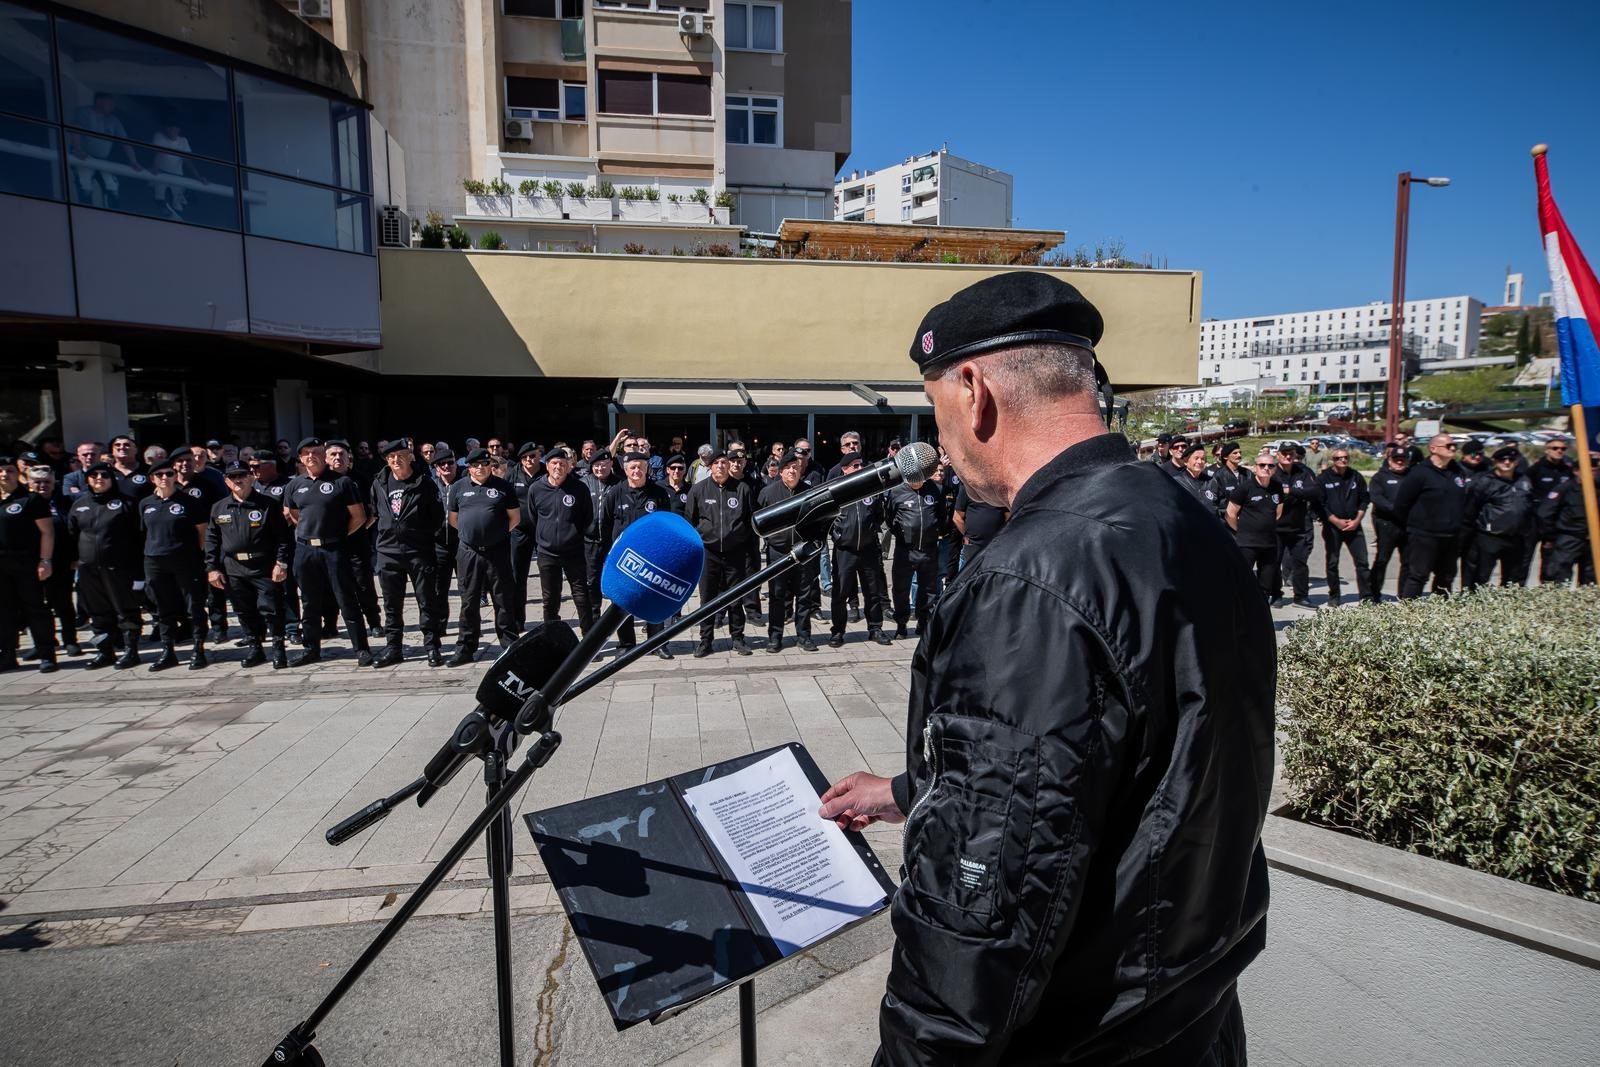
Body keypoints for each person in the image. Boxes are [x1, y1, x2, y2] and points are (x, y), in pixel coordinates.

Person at [819, 272, 1271, 1064]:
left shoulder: (1029, 578)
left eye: (936, 409)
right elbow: (1121, 763)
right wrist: (905, 792)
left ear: (973, 390)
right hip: (1191, 1021)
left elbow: (981, 911)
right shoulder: (1178, 512)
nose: (942, 439)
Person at [284, 438, 371, 667]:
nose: (310, 456)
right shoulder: (294, 485)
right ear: (300, 459)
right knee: (310, 602)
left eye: (315, 452)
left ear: (323, 455)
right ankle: (311, 649)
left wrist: (338, 536)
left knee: (346, 600)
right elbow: (293, 514)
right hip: (305, 551)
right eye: (305, 453)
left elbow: (359, 516)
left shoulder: (342, 482)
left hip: (334, 549)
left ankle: (361, 648)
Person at [205, 461, 291, 669]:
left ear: (251, 476)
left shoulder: (268, 504)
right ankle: (255, 648)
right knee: (244, 610)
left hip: (264, 565)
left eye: (242, 475)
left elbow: (282, 537)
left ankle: (278, 649)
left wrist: (281, 563)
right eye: (232, 476)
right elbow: (212, 540)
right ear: (226, 480)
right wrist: (212, 568)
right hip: (234, 567)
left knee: (271, 609)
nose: (238, 480)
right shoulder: (219, 507)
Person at [369, 439, 446, 667]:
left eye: (400, 455)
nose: (395, 460)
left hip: (418, 552)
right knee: (392, 606)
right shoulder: (379, 483)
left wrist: (419, 536)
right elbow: (375, 512)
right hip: (388, 553)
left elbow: (437, 517)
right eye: (391, 457)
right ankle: (394, 648)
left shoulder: (424, 483)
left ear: (410, 457)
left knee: (427, 602)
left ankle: (432, 647)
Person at [447, 447, 520, 664]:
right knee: (469, 600)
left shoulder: (503, 487)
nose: (481, 468)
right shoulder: (459, 488)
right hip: (469, 552)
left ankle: (509, 645)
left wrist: (493, 534)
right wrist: (473, 535)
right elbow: (454, 519)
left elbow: (514, 518)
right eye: (476, 465)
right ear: (468, 467)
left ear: (490, 465)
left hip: (497, 552)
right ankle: (466, 647)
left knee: (503, 600)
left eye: (485, 464)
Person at [598, 452, 674, 658]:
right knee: (623, 601)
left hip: (652, 559)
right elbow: (604, 527)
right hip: (624, 560)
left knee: (654, 601)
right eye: (632, 467)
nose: (636, 470)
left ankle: (656, 643)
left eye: (640, 466)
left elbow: (667, 525)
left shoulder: (658, 493)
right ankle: (626, 644)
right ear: (625, 469)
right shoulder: (615, 493)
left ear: (647, 468)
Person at [69, 462, 144, 668]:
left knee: (125, 610)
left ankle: (131, 651)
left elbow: (138, 538)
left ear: (112, 479)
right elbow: (72, 534)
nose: (99, 478)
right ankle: (105, 652)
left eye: (104, 475)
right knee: (98, 612)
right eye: (93, 475)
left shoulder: (126, 503)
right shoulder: (79, 504)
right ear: (87, 480)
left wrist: (139, 573)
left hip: (120, 569)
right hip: (88, 570)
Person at [139, 457, 210, 671]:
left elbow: (202, 532)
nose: (164, 478)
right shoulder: (146, 503)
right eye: (159, 475)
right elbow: (143, 532)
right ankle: (168, 650)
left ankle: (198, 649)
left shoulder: (189, 501)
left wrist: (197, 557)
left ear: (174, 476)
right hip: (155, 562)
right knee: (163, 608)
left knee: (194, 607)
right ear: (152, 478)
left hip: (185, 561)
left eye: (169, 474)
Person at [684, 449, 756, 657]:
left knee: (735, 598)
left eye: (725, 462)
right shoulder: (698, 490)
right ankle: (705, 640)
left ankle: (738, 638)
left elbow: (750, 523)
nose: (721, 466)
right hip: (709, 553)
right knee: (708, 599)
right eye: (717, 463)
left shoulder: (742, 489)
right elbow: (691, 521)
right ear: (710, 467)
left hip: (735, 553)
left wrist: (750, 554)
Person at [524, 447, 594, 634]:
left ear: (569, 466)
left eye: (562, 464)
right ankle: (552, 637)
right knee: (550, 599)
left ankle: (588, 640)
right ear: (547, 466)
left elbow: (587, 517)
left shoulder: (579, 488)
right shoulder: (536, 489)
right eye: (554, 463)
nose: (558, 467)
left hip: (573, 551)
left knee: (581, 596)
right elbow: (534, 518)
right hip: (547, 553)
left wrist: (572, 535)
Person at [754, 450, 819, 653]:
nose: (792, 471)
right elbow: (759, 519)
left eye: (795, 468)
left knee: (804, 595)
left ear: (800, 470)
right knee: (777, 595)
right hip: (778, 552)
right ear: (780, 471)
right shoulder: (768, 493)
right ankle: (775, 637)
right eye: (787, 468)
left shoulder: (809, 492)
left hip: (803, 552)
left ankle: (804, 635)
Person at [826, 451, 892, 648]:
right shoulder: (836, 490)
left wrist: (870, 532)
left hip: (868, 549)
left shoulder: (872, 488)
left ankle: (875, 628)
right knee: (841, 593)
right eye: (855, 466)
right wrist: (838, 534)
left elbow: (879, 514)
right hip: (845, 550)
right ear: (845, 469)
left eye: (861, 465)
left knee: (872, 591)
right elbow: (826, 519)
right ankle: (837, 631)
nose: (859, 468)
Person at [1392, 433, 1468, 599]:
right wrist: (1414, 527)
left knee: (1446, 577)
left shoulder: (1458, 471)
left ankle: (1439, 613)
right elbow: (1401, 505)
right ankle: (1408, 614)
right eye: (1449, 446)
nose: (1453, 448)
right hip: (1424, 536)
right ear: (1433, 449)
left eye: (1454, 445)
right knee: (1418, 576)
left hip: (1451, 536)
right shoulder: (1419, 473)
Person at [0, 459, 57, 674]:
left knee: (35, 608)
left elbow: (47, 532)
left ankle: (46, 654)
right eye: (1, 471)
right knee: (4, 611)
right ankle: (7, 654)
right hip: (1, 565)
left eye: (10, 471)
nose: (5, 475)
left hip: (26, 562)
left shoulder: (30, 500)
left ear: (19, 474)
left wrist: (45, 560)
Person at [326, 439, 383, 638]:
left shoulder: (360, 479)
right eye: (332, 454)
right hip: (329, 545)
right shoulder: (321, 481)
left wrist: (358, 530)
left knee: (363, 584)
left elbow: (373, 512)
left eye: (341, 454)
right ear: (326, 458)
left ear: (349, 457)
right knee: (330, 586)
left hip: (357, 542)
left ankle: (374, 623)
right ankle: (330, 624)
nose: (337, 458)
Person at [1463, 446, 1535, 589]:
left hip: (1516, 537)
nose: (1507, 462)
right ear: (1495, 462)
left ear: (1517, 462)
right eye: (1502, 460)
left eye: (1511, 459)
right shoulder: (1485, 482)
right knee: (1480, 576)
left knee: (1512, 578)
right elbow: (1470, 509)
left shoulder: (1524, 480)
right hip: (1490, 537)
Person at [27, 466, 79, 658]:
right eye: (37, 482)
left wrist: (75, 557)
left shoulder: (65, 502)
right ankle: (44, 642)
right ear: (29, 483)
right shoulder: (25, 503)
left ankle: (70, 640)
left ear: (54, 482)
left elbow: (73, 530)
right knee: (36, 605)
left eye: (46, 482)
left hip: (62, 560)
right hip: (31, 562)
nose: (42, 486)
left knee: (63, 603)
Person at [887, 468, 942, 639]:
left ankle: (923, 622)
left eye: (921, 479)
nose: (918, 483)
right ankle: (901, 624)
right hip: (906, 551)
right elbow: (889, 517)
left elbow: (941, 515)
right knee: (901, 589)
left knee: (928, 589)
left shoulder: (935, 489)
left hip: (928, 549)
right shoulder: (897, 492)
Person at [1315, 447, 1371, 604]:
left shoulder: (1356, 477)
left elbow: (1364, 499)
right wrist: (1334, 520)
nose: (1343, 460)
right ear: (1333, 460)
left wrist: (1357, 520)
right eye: (1339, 458)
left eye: (1346, 457)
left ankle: (1366, 596)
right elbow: (1319, 504)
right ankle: (1334, 595)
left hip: (1354, 525)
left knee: (1362, 562)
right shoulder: (1324, 478)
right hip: (1333, 527)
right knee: (1333, 562)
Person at [1227, 449, 1285, 599]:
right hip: (1247, 544)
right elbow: (1230, 513)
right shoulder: (1245, 488)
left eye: (1270, 466)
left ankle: (1262, 618)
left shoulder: (1277, 487)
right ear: (1255, 467)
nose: (1266, 468)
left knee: (1265, 585)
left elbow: (1278, 512)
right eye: (1262, 465)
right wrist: (1240, 531)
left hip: (1269, 544)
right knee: (1243, 582)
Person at [1536, 452, 1597, 585]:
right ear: (1576, 471)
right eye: (1588, 471)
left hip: (1592, 540)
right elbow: (1544, 513)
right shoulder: (1565, 489)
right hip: (1569, 538)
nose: (1592, 474)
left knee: (1591, 580)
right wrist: (1550, 537)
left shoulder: (1597, 489)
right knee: (1558, 577)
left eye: (1594, 471)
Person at [1272, 443, 1321, 606]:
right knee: (1274, 563)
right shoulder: (1272, 472)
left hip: (1298, 526)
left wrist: (1290, 491)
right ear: (1278, 455)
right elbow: (1271, 495)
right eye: (1284, 453)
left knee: (1300, 563)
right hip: (1276, 527)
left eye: (1290, 453)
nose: (1287, 456)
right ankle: (1276, 595)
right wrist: (1297, 495)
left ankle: (1301, 596)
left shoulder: (1303, 471)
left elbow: (1314, 492)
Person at [579, 450, 618, 629]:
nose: (600, 468)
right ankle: (594, 618)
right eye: (596, 465)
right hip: (590, 542)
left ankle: (617, 618)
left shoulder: (619, 484)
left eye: (604, 464)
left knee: (615, 580)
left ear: (610, 464)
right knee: (591, 581)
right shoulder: (584, 484)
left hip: (613, 542)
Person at [1366, 446, 1410, 603]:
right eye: (1396, 459)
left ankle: (1405, 595)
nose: (1399, 461)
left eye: (1403, 459)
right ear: (1389, 460)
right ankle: (1373, 594)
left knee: (1408, 561)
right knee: (1382, 559)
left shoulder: (1412, 476)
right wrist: (1397, 509)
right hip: (1387, 524)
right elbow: (1376, 498)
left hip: (1407, 525)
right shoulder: (1380, 477)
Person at [507, 441, 543, 632]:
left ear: (539, 456)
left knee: (548, 578)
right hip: (520, 531)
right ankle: (517, 619)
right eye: (525, 457)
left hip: (543, 531)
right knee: (517, 576)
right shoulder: (513, 474)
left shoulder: (546, 472)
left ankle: (551, 619)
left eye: (532, 456)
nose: (529, 460)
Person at [430, 450, 460, 636]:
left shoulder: (465, 484)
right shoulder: (431, 487)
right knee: (439, 589)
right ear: (436, 468)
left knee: (467, 588)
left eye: (450, 463)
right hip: (438, 544)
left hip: (461, 543)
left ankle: (470, 626)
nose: (447, 467)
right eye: (443, 464)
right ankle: (440, 625)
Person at [951, 482, 1006, 569]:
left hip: (994, 546)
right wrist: (966, 536)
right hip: (972, 545)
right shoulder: (968, 489)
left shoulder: (999, 491)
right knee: (966, 579)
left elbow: (1008, 518)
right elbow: (957, 517)